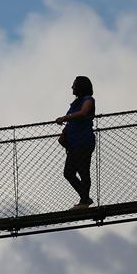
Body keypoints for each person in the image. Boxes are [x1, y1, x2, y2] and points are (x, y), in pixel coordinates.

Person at [56, 76, 96, 210]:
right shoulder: (75, 104)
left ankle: (84, 201)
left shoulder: (88, 100)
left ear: (80, 86)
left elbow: (84, 113)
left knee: (83, 171)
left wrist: (65, 118)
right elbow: (72, 122)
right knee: (69, 172)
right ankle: (85, 198)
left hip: (83, 141)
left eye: (74, 85)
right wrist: (65, 132)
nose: (72, 88)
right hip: (74, 143)